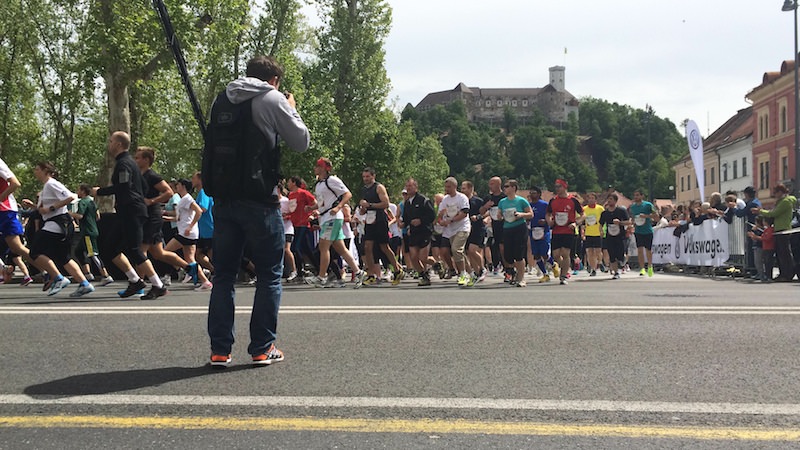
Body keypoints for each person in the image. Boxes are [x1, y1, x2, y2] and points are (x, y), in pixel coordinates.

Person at [206, 55, 310, 367]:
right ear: (274, 80)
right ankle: (262, 348)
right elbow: (301, 141)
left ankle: (220, 350)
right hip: (259, 199)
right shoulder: (272, 98)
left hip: (224, 199)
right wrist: (290, 108)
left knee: (224, 276)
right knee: (269, 275)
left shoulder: (222, 99)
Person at [92, 131, 167, 300]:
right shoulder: (131, 163)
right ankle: (135, 281)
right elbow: (143, 187)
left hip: (131, 211)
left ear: (118, 144)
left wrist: (100, 191)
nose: (109, 144)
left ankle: (158, 285)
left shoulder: (124, 164)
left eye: (111, 141)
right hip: (128, 211)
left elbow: (123, 186)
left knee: (135, 250)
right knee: (110, 247)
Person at [134, 147, 200, 289]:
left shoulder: (152, 176)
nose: (135, 160)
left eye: (138, 158)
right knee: (159, 253)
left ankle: (139, 284)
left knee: (140, 250)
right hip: (146, 217)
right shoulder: (139, 175)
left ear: (146, 160)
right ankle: (189, 268)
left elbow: (168, 192)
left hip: (152, 217)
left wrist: (152, 201)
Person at [30, 162, 95, 297]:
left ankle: (58, 278)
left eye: (37, 169)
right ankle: (85, 284)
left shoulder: (51, 184)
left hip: (58, 223)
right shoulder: (46, 187)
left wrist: (51, 208)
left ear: (45, 170)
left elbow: (71, 197)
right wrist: (36, 207)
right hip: (58, 223)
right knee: (63, 257)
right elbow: (44, 210)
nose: (35, 172)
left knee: (35, 251)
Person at [305, 157, 364, 288]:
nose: (315, 168)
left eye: (318, 166)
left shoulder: (332, 180)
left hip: (333, 217)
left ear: (324, 168)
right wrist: (312, 208)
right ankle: (358, 272)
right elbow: (322, 203)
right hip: (325, 218)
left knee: (323, 247)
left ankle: (321, 277)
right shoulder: (319, 184)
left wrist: (338, 207)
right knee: (341, 249)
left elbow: (347, 194)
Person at [163, 178, 213, 290]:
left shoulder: (187, 198)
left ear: (183, 186)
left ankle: (186, 269)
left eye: (178, 185)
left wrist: (190, 226)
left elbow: (198, 211)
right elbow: (180, 218)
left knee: (165, 251)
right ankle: (205, 281)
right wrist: (166, 218)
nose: (177, 186)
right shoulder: (183, 199)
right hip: (187, 232)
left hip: (187, 233)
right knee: (190, 258)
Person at [359, 167, 404, 286]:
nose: (365, 179)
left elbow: (385, 203)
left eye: (368, 176)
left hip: (380, 219)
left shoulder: (379, 187)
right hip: (369, 220)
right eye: (364, 177)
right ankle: (371, 274)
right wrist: (363, 209)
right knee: (367, 247)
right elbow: (364, 207)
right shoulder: (364, 190)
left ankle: (397, 269)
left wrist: (370, 205)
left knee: (384, 246)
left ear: (373, 176)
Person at [70, 184, 114, 286]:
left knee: (93, 254)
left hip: (87, 232)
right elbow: (97, 216)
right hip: (92, 230)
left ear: (83, 191)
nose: (77, 192)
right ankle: (87, 274)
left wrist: (69, 213)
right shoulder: (92, 202)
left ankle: (106, 276)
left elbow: (80, 216)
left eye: (78, 190)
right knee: (78, 251)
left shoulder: (83, 202)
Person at [752, 183, 796, 282]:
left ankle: (787, 274)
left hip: (783, 229)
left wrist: (760, 211)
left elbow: (774, 213)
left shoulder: (785, 202)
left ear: (780, 192)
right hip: (779, 229)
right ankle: (783, 273)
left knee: (784, 254)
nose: (774, 194)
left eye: (775, 192)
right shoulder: (780, 201)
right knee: (780, 253)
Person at [496, 179, 533, 287]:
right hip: (507, 228)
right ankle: (513, 273)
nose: (505, 189)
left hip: (519, 228)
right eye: (504, 186)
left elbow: (531, 214)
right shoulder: (502, 202)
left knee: (519, 254)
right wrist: (499, 216)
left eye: (507, 186)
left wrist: (521, 215)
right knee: (508, 255)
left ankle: (521, 278)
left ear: (513, 188)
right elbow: (499, 214)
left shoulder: (521, 201)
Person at [400, 178, 436, 286]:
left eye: (410, 186)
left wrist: (421, 220)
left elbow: (432, 216)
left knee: (423, 257)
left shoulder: (424, 200)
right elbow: (406, 218)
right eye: (407, 186)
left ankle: (437, 264)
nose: (408, 188)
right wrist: (403, 224)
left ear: (416, 187)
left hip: (424, 231)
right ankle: (423, 275)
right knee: (413, 257)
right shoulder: (407, 203)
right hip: (413, 232)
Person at [546, 179, 582, 285]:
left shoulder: (573, 200)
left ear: (565, 187)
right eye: (556, 187)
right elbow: (548, 214)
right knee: (556, 255)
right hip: (556, 230)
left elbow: (583, 215)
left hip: (568, 230)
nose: (557, 189)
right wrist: (549, 221)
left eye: (559, 186)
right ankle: (565, 268)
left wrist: (576, 223)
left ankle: (563, 276)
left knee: (565, 253)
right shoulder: (553, 200)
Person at [436, 177, 471, 286]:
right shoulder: (445, 200)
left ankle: (463, 274)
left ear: (455, 186)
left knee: (456, 249)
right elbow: (440, 214)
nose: (446, 189)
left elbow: (464, 213)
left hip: (462, 227)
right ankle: (471, 273)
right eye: (445, 187)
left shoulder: (462, 198)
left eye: (449, 187)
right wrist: (441, 221)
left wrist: (451, 220)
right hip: (450, 230)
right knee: (458, 253)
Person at [286, 176, 316, 280]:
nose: (287, 184)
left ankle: (302, 270)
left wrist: (311, 214)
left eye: (289, 182)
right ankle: (305, 270)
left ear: (294, 182)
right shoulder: (290, 195)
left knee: (295, 248)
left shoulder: (303, 193)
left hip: (303, 224)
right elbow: (293, 209)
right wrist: (287, 215)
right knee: (306, 249)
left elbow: (315, 203)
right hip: (294, 224)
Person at [629, 189, 659, 277]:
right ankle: (642, 268)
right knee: (639, 250)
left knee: (648, 250)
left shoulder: (648, 205)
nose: (636, 197)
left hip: (647, 230)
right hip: (638, 230)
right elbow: (633, 218)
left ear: (642, 196)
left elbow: (656, 215)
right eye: (635, 195)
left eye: (637, 195)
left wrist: (646, 216)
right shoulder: (633, 207)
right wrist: (633, 223)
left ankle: (650, 266)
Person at [599, 193, 630, 279]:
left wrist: (620, 222)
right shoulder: (605, 213)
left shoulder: (621, 211)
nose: (609, 201)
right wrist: (601, 231)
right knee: (612, 254)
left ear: (615, 201)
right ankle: (616, 273)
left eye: (611, 199)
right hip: (609, 236)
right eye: (608, 199)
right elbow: (601, 224)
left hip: (620, 236)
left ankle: (623, 260)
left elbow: (628, 222)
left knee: (620, 253)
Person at [462, 180, 486, 286]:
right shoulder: (461, 201)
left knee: (472, 250)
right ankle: (476, 272)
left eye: (464, 188)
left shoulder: (478, 201)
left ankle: (482, 268)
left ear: (471, 189)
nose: (462, 190)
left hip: (478, 228)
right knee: (468, 252)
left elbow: (485, 212)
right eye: (461, 188)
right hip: (466, 229)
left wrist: (478, 217)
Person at [528, 186, 551, 283]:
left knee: (544, 253)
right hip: (533, 231)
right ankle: (545, 274)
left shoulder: (544, 205)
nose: (532, 195)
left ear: (538, 194)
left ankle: (553, 265)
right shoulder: (528, 205)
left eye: (534, 193)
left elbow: (550, 216)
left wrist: (545, 221)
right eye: (530, 193)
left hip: (543, 231)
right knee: (536, 255)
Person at [582, 193, 604, 276]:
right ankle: (593, 268)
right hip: (588, 233)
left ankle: (600, 262)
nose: (591, 200)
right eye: (589, 198)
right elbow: (582, 221)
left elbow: (603, 220)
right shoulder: (584, 209)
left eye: (592, 198)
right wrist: (582, 232)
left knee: (598, 251)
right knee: (589, 252)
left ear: (596, 200)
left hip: (597, 232)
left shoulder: (600, 209)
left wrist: (602, 230)